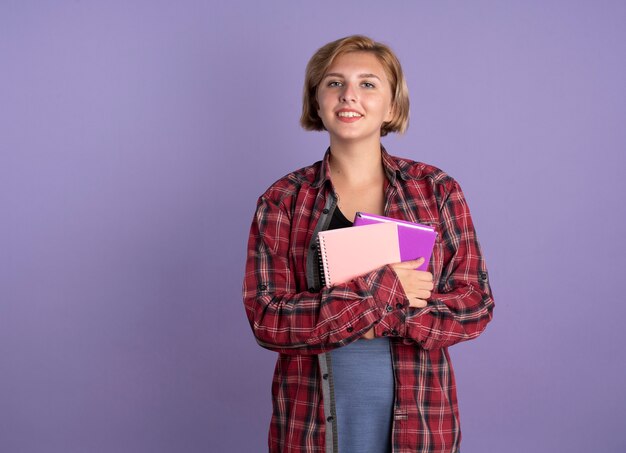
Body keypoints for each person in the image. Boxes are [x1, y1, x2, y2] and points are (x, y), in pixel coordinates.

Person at [242, 35, 494, 453]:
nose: (349, 95)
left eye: (368, 83)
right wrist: (385, 292)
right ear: (317, 102)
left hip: (422, 428)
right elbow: (268, 321)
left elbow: (475, 305)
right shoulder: (282, 200)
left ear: (392, 106)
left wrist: (370, 311)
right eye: (334, 83)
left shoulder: (436, 190)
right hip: (309, 430)